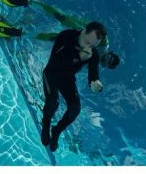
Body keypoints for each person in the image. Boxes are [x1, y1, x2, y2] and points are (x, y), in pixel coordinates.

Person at [41, 21, 106, 152]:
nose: (89, 48)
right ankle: (46, 123)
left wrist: (96, 83)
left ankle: (57, 130)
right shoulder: (66, 36)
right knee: (53, 102)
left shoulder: (93, 53)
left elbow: (93, 74)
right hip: (52, 73)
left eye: (93, 46)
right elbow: (55, 61)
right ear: (83, 32)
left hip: (67, 78)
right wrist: (78, 57)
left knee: (75, 108)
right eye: (88, 42)